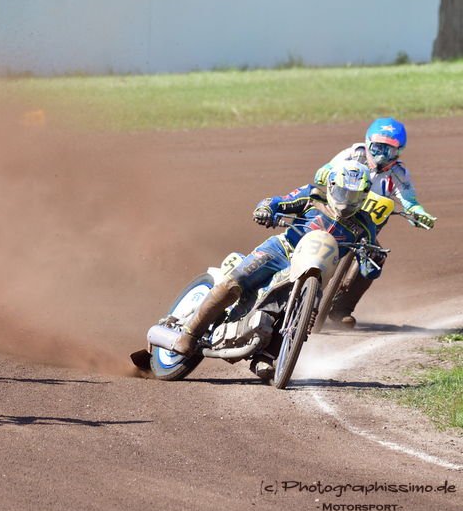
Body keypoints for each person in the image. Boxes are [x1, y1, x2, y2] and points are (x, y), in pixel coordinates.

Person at [167, 159, 379, 356]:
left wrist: (373, 258)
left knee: (305, 317)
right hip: (281, 251)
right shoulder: (311, 196)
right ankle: (190, 333)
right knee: (233, 283)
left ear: (364, 195)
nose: (347, 201)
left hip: (317, 273)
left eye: (355, 196)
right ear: (332, 186)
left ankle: (268, 357)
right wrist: (266, 211)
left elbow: (369, 268)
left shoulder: (365, 224)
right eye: (343, 192)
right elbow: (276, 202)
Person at [311, 118, 437, 326]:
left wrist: (418, 213)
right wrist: (325, 171)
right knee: (313, 241)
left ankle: (340, 309)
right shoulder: (353, 154)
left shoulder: (398, 173)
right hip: (335, 214)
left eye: (389, 151)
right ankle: (295, 294)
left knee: (375, 257)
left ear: (399, 152)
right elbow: (327, 169)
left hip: (365, 227)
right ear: (368, 143)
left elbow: (409, 200)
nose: (381, 155)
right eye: (377, 148)